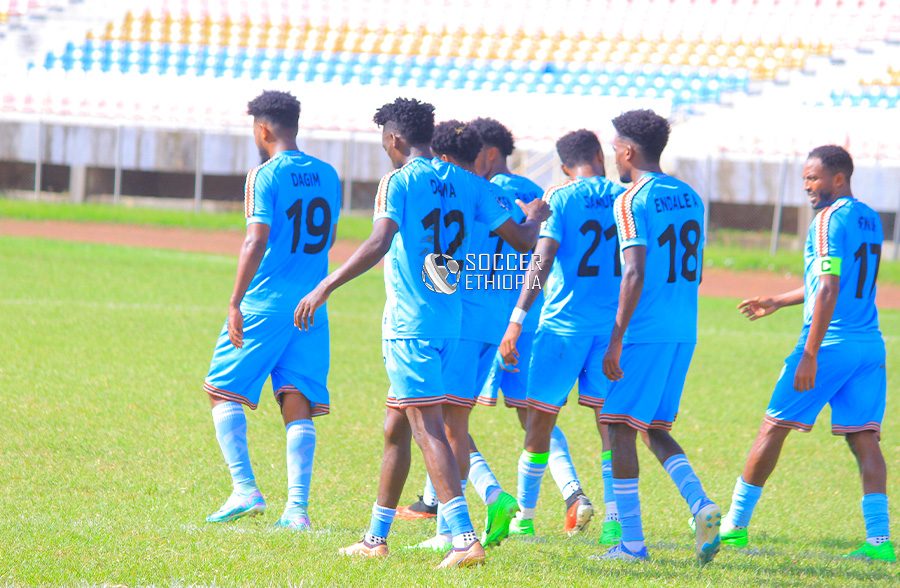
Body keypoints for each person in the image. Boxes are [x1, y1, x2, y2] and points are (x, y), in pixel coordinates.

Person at [293, 98, 550, 568]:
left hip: (410, 326)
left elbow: (379, 240)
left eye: (383, 141)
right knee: (396, 427)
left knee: (428, 428)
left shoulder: (399, 181)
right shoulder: (471, 183)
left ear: (394, 139)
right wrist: (534, 213)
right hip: (450, 324)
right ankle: (375, 538)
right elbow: (525, 239)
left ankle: (463, 539)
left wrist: (325, 286)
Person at [720, 145, 892, 561]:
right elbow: (833, 281)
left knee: (773, 428)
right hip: (869, 344)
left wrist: (810, 354)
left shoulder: (827, 220)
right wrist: (779, 300)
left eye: (813, 178)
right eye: (804, 179)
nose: (807, 186)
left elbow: (829, 289)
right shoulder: (869, 217)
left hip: (830, 344)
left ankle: (734, 526)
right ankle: (879, 542)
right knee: (864, 438)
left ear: (838, 178)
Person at [203, 90, 341, 531]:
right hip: (311, 305)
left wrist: (234, 301)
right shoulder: (328, 174)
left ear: (262, 129)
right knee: (296, 398)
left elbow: (255, 238)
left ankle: (245, 489)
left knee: (221, 389)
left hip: (265, 302)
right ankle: (296, 511)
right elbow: (328, 236)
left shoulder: (264, 175)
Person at [597, 109, 720, 564]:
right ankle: (700, 504)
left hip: (645, 332)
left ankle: (631, 545)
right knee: (652, 427)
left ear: (629, 150)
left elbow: (634, 271)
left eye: (615, 148)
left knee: (617, 427)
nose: (613, 156)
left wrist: (616, 338)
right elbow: (698, 271)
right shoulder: (690, 196)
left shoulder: (631, 199)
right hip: (683, 328)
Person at [499, 129, 624, 542]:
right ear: (600, 157)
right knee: (610, 427)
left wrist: (518, 317)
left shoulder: (561, 196)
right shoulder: (625, 198)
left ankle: (525, 519)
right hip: (609, 331)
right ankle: (613, 523)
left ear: (566, 167)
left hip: (563, 328)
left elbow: (543, 258)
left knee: (539, 421)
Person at [408, 119, 521, 552]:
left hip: (462, 318)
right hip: (496, 317)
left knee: (444, 424)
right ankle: (466, 510)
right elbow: (527, 245)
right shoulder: (503, 194)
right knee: (452, 421)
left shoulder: (458, 191)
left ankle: (460, 522)